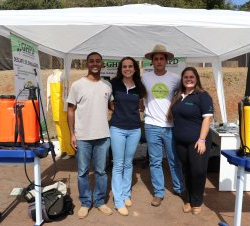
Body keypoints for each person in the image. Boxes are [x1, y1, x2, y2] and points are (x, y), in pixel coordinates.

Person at [67, 52, 113, 219]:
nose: (95, 64)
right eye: (91, 61)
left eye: (98, 61)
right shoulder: (77, 85)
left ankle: (100, 201)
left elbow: (111, 106)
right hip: (83, 137)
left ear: (102, 64)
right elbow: (70, 110)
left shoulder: (107, 86)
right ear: (87, 64)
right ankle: (86, 202)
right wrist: (72, 134)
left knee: (101, 171)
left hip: (103, 136)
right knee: (82, 172)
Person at [142, 44, 184, 207]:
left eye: (161, 58)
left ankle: (179, 188)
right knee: (155, 161)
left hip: (170, 125)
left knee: (174, 159)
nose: (159, 61)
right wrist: (141, 103)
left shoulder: (175, 78)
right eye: (156, 59)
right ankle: (159, 192)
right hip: (151, 124)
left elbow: (183, 92)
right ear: (152, 61)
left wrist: (173, 105)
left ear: (166, 61)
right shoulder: (145, 77)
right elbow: (140, 92)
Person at [168, 67, 213, 215]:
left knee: (198, 171)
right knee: (186, 170)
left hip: (197, 141)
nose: (188, 79)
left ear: (196, 78)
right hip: (180, 141)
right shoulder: (178, 95)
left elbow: (207, 118)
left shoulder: (202, 96)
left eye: (191, 77)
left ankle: (197, 201)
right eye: (185, 77)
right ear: (182, 79)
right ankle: (187, 199)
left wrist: (201, 140)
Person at [109, 56, 146, 216]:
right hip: (117, 128)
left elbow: (141, 106)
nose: (127, 69)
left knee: (128, 163)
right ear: (121, 69)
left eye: (130, 66)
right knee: (118, 165)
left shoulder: (139, 86)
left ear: (135, 68)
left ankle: (126, 194)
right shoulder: (113, 84)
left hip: (135, 129)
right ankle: (118, 201)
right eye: (124, 66)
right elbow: (109, 103)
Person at [47, 69, 75, 159]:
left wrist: (66, 106)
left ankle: (70, 151)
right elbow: (48, 93)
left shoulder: (62, 75)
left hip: (62, 106)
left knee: (65, 129)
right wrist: (47, 105)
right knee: (58, 129)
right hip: (54, 107)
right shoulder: (49, 77)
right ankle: (63, 150)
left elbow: (66, 92)